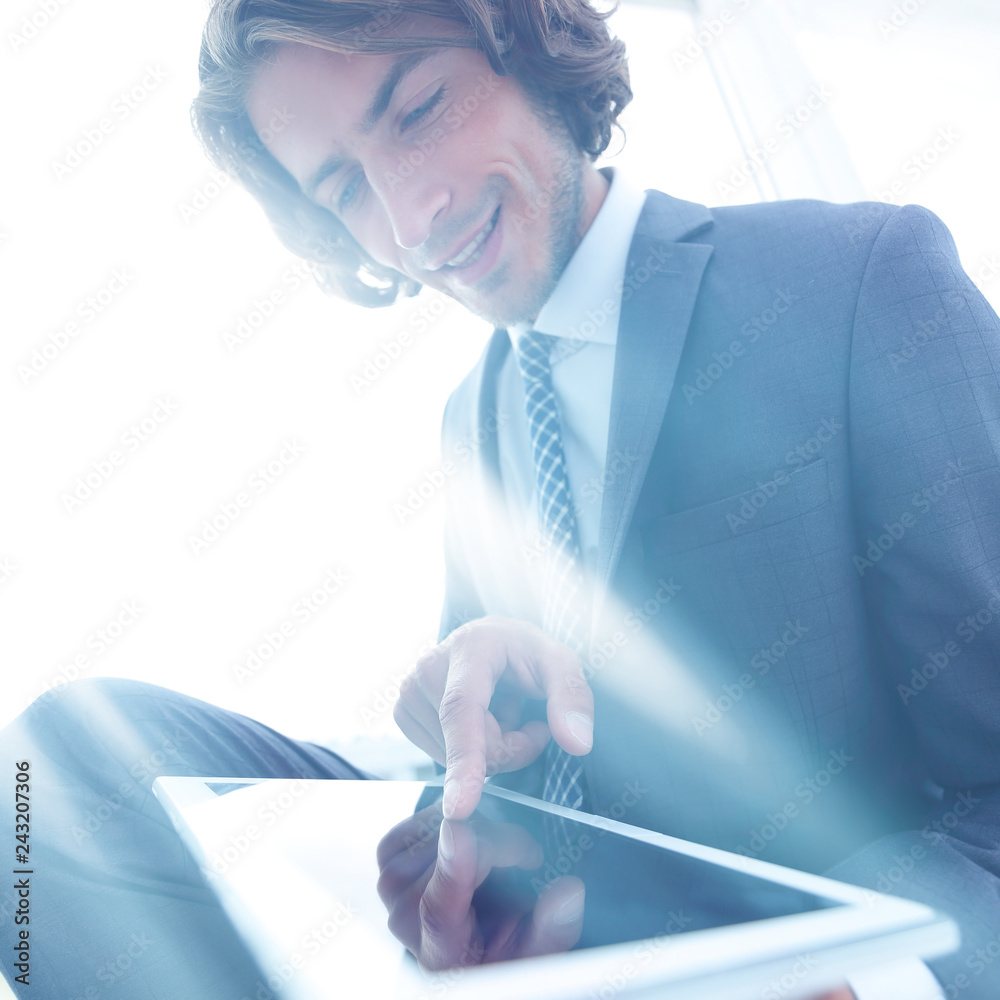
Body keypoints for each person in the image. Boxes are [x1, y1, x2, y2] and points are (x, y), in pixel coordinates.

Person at [2, 1, 997, 999]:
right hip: (537, 947)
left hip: (756, 955)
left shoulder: (858, 281)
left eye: (421, 108)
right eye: (344, 185)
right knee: (49, 772)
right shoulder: (472, 421)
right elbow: (507, 793)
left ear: (528, 45)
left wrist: (856, 975)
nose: (407, 218)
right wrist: (461, 773)